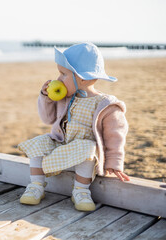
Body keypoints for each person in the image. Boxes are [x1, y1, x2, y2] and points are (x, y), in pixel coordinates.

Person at [18, 42, 130, 211]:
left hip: (84, 154)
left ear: (83, 77)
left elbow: (116, 136)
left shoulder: (105, 105)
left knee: (88, 147)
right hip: (61, 145)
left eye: (63, 74)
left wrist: (114, 162)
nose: (58, 80)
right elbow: (47, 118)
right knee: (39, 142)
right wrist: (45, 97)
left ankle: (81, 190)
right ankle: (36, 186)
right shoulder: (65, 98)